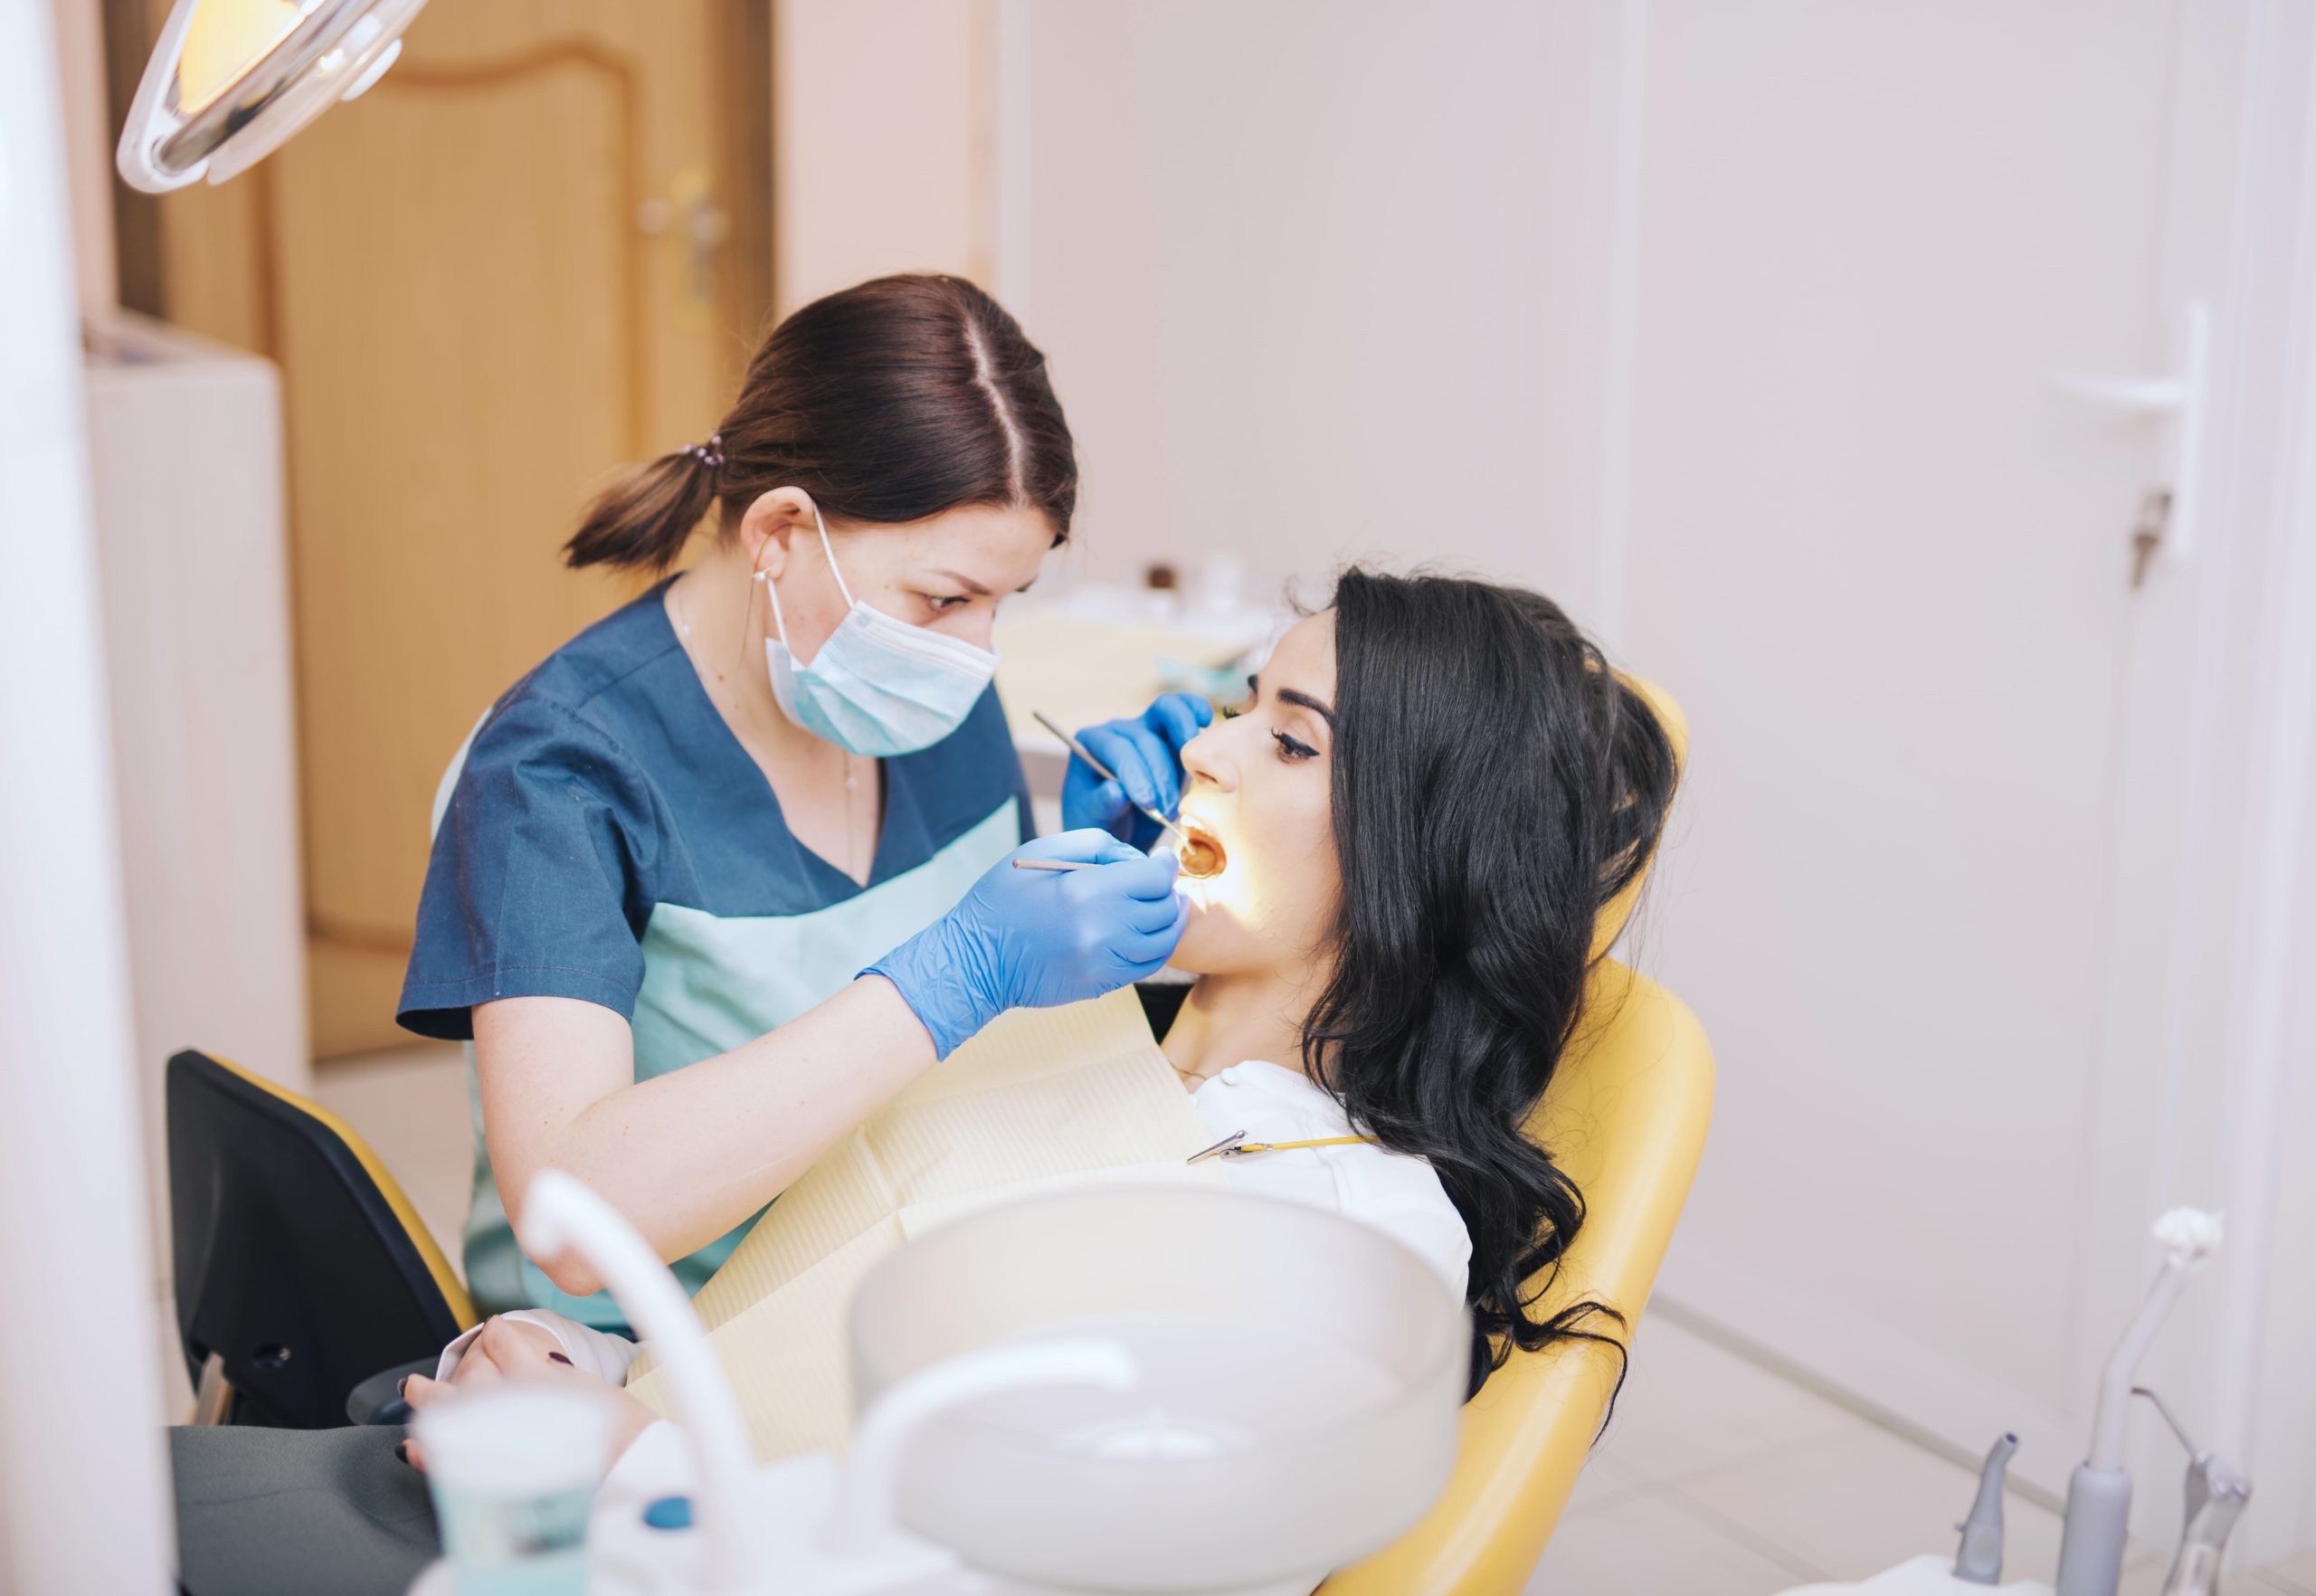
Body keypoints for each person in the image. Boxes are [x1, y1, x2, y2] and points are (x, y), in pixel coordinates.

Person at [408, 567, 1680, 1477]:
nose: (1208, 752)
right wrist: (583, 1360)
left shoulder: (1347, 1234)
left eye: (1289, 743)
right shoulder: (1068, 1029)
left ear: (1421, 861)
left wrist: (644, 1468)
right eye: (1242, 702)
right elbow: (805, 1325)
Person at [396, 272, 1210, 1327]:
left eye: (1003, 602)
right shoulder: (552, 771)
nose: (977, 653)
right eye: (946, 597)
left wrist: (1092, 866)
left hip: (910, 1280)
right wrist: (953, 972)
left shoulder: (928, 693)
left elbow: (974, 1038)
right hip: (663, 1356)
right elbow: (569, 1212)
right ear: (779, 531)